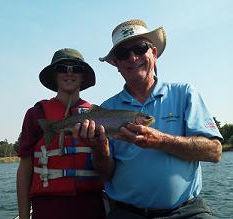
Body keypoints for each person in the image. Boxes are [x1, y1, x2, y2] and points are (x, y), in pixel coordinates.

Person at [74, 19, 223, 219]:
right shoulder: (106, 108)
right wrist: (99, 149)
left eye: (139, 48)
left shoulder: (185, 93)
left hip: (187, 212)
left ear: (153, 53)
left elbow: (214, 151)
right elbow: (105, 174)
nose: (132, 58)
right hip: (126, 213)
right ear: (116, 64)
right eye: (122, 53)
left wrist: (161, 141)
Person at [16, 48, 105, 219]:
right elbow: (25, 169)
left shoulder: (98, 115)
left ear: (83, 76)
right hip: (47, 209)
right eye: (62, 68)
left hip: (91, 207)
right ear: (54, 75)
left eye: (76, 69)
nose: (69, 73)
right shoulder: (35, 114)